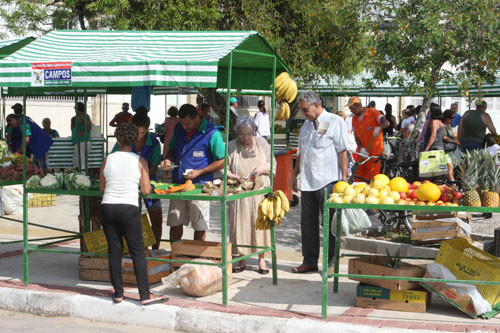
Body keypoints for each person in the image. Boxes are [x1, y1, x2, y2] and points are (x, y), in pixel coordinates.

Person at [100, 122, 167, 306]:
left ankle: (118, 294)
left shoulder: (108, 159)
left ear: (118, 139)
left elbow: (102, 187)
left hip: (108, 207)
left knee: (114, 250)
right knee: (137, 251)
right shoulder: (140, 161)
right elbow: (146, 190)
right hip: (128, 208)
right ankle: (145, 296)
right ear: (135, 139)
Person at [291, 90, 349, 274]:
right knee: (308, 223)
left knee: (330, 224)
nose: (304, 113)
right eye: (301, 110)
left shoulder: (334, 121)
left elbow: (342, 152)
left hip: (328, 181)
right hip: (307, 181)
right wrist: (294, 175)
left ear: (317, 105)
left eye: (306, 110)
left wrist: (344, 181)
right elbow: (301, 152)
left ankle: (332, 263)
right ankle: (310, 260)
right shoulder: (307, 126)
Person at [161, 104, 225, 242]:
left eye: (188, 124)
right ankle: (176, 256)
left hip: (199, 187)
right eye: (183, 124)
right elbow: (172, 149)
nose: (185, 127)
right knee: (175, 221)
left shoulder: (211, 133)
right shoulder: (178, 128)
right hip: (178, 185)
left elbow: (223, 160)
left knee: (199, 224)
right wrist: (168, 159)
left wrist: (200, 172)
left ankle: (196, 257)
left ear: (197, 117)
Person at [226, 116, 275, 274]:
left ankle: (261, 260)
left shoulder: (262, 143)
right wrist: (233, 176)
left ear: (254, 131)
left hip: (259, 192)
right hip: (239, 192)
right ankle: (241, 258)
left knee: (260, 225)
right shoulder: (231, 146)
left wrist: (262, 168)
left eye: (248, 134)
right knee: (239, 225)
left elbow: (272, 164)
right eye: (241, 135)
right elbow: (223, 168)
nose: (245, 138)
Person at [112, 113, 163, 249]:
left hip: (150, 184)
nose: (139, 135)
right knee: (135, 221)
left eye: (142, 132)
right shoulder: (125, 140)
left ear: (147, 129)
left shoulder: (154, 142)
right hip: (129, 186)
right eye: (136, 132)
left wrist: (142, 175)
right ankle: (139, 249)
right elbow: (114, 160)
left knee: (156, 219)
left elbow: (154, 167)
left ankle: (155, 251)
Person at [348, 96, 390, 181]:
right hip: (361, 154)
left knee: (372, 180)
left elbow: (386, 123)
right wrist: (361, 147)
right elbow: (356, 135)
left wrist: (379, 127)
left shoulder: (373, 112)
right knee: (358, 179)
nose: (351, 111)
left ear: (358, 105)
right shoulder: (354, 119)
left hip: (374, 155)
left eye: (352, 108)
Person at [71, 102, 92, 170]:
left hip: (82, 141)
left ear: (78, 109)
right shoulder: (76, 118)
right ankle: (80, 173)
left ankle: (83, 175)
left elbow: (89, 126)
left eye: (75, 108)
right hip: (78, 141)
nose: (74, 109)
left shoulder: (84, 116)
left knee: (82, 160)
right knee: (79, 159)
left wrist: (84, 133)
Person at [442, 110, 460, 181]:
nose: (452, 119)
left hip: (450, 151)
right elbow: (444, 137)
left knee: (451, 167)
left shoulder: (449, 125)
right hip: (446, 150)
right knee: (450, 166)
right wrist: (453, 141)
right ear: (446, 118)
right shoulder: (443, 126)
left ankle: (450, 182)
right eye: (451, 118)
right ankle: (453, 183)